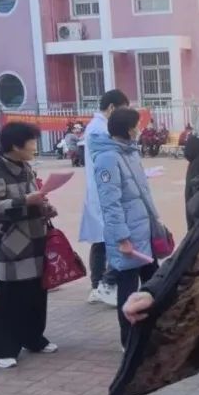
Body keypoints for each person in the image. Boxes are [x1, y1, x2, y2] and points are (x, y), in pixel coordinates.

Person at [0, 122, 58, 368]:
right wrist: (25, 200)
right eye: (32, 142)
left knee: (35, 293)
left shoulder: (25, 167)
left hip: (35, 239)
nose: (35, 146)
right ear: (16, 145)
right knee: (10, 297)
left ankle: (33, 338)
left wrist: (45, 207)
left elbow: (34, 198)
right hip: (12, 244)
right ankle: (1, 350)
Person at [91, 108, 162, 349]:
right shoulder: (107, 158)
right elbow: (110, 203)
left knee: (153, 283)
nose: (140, 129)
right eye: (137, 125)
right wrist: (122, 238)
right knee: (128, 286)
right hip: (128, 236)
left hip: (144, 230)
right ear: (129, 129)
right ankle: (129, 339)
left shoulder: (129, 152)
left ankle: (149, 333)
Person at [81, 89, 130, 307]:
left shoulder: (98, 127)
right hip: (103, 190)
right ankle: (101, 285)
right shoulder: (99, 129)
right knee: (104, 240)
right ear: (111, 108)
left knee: (102, 239)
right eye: (122, 111)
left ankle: (100, 285)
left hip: (103, 189)